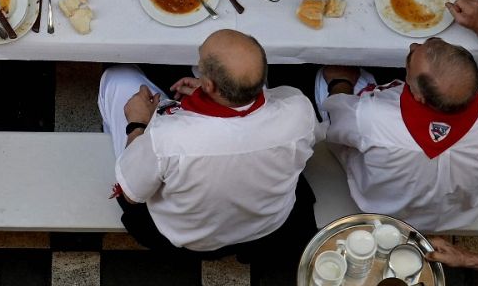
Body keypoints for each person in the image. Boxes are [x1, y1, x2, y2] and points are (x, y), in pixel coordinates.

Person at [318, 0, 478, 231]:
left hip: (384, 211)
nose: (413, 46)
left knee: (336, 115)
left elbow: (335, 127)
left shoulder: (370, 117)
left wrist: (340, 81)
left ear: (419, 96)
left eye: (409, 59)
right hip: (465, 211)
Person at [97, 30, 319, 257]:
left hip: (186, 236)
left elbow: (132, 195)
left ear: (210, 85)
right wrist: (215, 96)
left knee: (118, 77)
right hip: (269, 226)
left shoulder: (166, 138)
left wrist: (138, 123)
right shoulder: (298, 111)